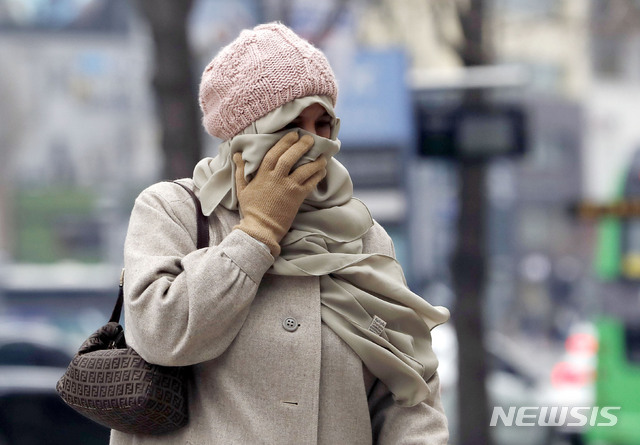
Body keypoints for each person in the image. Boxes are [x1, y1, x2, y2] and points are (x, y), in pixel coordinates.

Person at [110, 22, 450, 445]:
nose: (311, 142)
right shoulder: (173, 211)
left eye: (322, 123)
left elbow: (408, 390)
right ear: (246, 132)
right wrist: (256, 233)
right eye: (291, 124)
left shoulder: (360, 236)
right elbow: (162, 335)